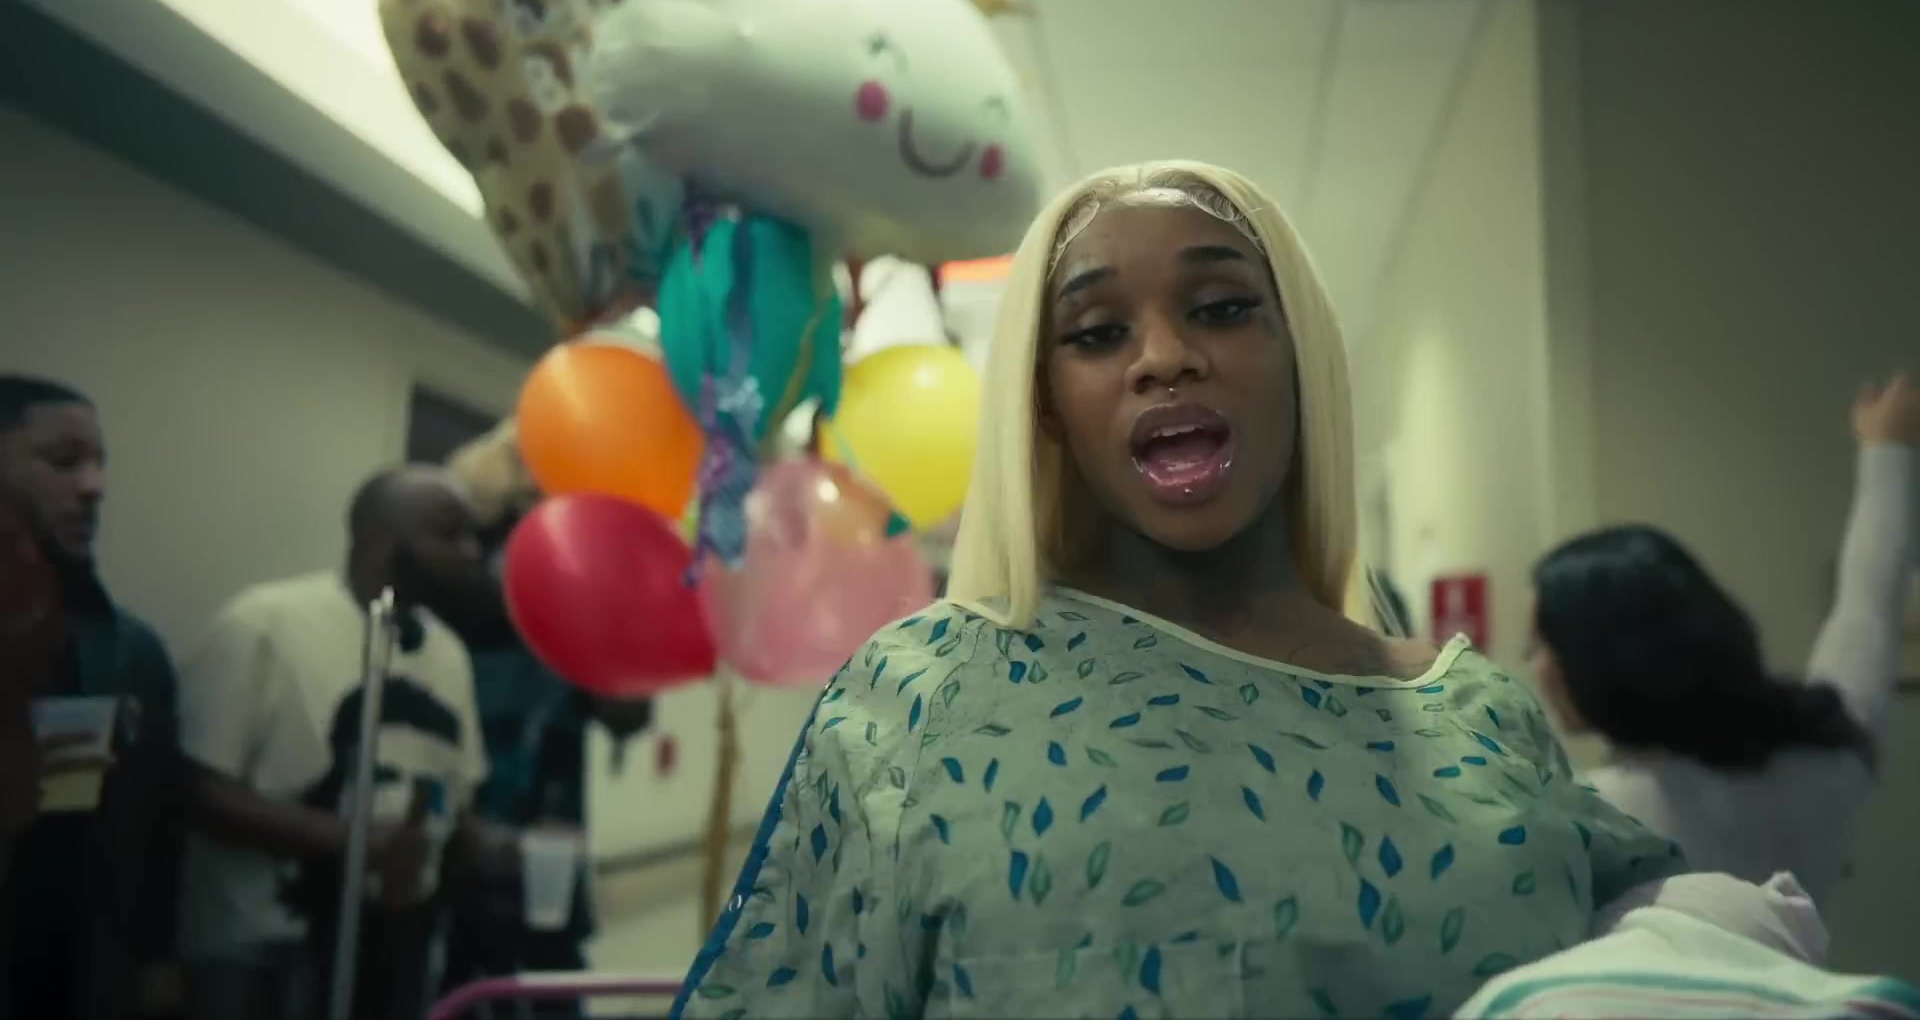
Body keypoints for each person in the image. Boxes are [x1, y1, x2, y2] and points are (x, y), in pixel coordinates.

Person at [670, 162, 1687, 1019]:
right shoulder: (916, 704)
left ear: (1302, 360)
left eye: (1223, 309)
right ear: (1047, 406)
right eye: (1096, 332)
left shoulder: (1481, 724)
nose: (1164, 357)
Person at [1527, 373, 1917, 906]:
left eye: (1544, 644)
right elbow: (1870, 606)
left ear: (1601, 657)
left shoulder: (1592, 819)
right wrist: (1888, 450)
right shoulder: (1826, 763)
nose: (1537, 666)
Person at [174, 465, 512, 1020]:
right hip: (261, 957)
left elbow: (457, 798)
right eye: (449, 535)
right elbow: (195, 788)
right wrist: (349, 842)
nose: (472, 553)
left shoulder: (447, 653)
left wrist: (498, 846)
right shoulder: (264, 624)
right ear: (379, 541)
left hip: (394, 952)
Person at [435, 434, 655, 1017]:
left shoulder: (576, 599)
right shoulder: (448, 619)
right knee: (452, 985)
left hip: (548, 847)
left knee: (552, 983)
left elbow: (628, 717)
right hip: (453, 848)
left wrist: (610, 621)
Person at [0, 375, 184, 1020]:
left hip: (87, 980)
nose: (94, 486)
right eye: (64, 461)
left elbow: (161, 818)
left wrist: (157, 959)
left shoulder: (134, 652)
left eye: (99, 463)